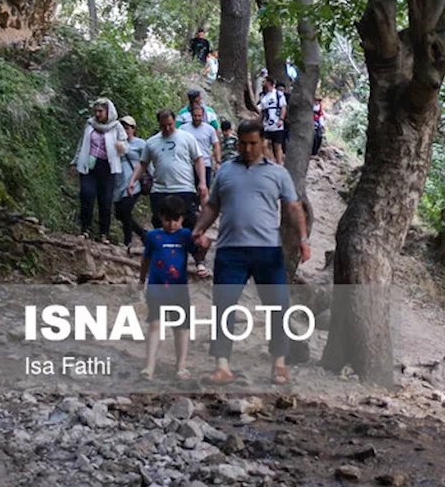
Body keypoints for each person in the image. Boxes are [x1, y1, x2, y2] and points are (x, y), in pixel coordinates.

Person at [192, 119, 309, 386]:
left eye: (253, 143)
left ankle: (279, 363)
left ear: (263, 142)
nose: (247, 148)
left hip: (267, 250)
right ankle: (222, 365)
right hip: (230, 250)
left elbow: (292, 207)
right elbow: (212, 206)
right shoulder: (225, 172)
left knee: (277, 306)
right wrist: (198, 228)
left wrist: (303, 238)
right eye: (243, 143)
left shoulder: (278, 173)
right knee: (223, 307)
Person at [126, 108, 208, 244]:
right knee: (160, 223)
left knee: (189, 222)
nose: (167, 128)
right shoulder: (152, 142)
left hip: (184, 187)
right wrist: (132, 180)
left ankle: (193, 255)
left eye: (170, 124)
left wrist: (202, 182)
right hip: (160, 189)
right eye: (164, 125)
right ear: (159, 124)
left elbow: (198, 159)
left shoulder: (187, 138)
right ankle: (164, 251)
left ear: (174, 121)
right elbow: (143, 164)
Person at [139, 195, 192, 380]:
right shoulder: (153, 236)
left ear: (182, 219)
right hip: (156, 288)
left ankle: (181, 365)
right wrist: (141, 280)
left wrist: (203, 247)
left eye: (176, 220)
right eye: (167, 219)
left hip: (179, 289)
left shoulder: (185, 235)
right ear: (161, 217)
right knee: (155, 325)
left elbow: (198, 251)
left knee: (181, 328)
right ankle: (149, 364)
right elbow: (146, 259)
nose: (171, 224)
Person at [70, 97, 128, 242]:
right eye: (95, 111)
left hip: (107, 167)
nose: (97, 114)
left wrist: (120, 147)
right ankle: (85, 230)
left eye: (100, 111)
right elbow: (82, 143)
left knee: (105, 200)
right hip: (89, 165)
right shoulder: (90, 124)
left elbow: (125, 146)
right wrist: (75, 161)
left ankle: (104, 233)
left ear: (108, 111)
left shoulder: (116, 126)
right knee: (86, 195)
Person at [113, 115, 148, 254]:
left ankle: (128, 242)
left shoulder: (141, 144)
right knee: (119, 213)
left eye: (127, 128)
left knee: (126, 209)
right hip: (118, 181)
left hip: (134, 181)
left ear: (134, 129)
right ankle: (142, 234)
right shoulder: (116, 143)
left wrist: (152, 176)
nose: (125, 130)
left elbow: (146, 162)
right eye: (122, 128)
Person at [180, 103, 221, 186]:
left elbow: (216, 145)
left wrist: (218, 162)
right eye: (195, 116)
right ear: (191, 115)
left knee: (204, 189)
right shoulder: (183, 129)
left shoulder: (209, 129)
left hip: (205, 164)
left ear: (203, 116)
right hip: (187, 165)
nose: (197, 118)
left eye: (199, 116)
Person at [258, 77, 287, 165]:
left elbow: (283, 107)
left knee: (277, 146)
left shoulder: (278, 94)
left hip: (277, 123)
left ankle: (279, 163)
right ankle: (269, 162)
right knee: (263, 145)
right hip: (266, 124)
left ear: (269, 83)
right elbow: (261, 110)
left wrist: (281, 119)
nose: (262, 84)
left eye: (264, 82)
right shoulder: (262, 95)